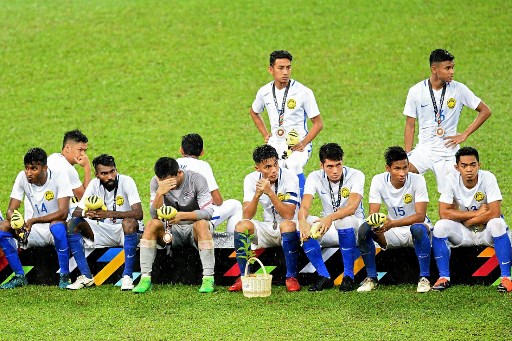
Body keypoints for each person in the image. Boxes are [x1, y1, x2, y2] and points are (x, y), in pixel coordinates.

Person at [403, 49, 491, 192]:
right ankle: (415, 214)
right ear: (434, 69)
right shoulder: (416, 91)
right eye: (447, 68)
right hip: (424, 150)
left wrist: (465, 134)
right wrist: (407, 154)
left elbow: (485, 111)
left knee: (451, 196)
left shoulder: (459, 89)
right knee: (401, 175)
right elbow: (410, 125)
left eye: (452, 67)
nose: (452, 72)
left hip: (448, 153)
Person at [431, 147, 512, 292]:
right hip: (465, 233)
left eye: (473, 165)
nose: (469, 169)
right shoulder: (450, 180)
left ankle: (506, 279)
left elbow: (494, 212)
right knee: (440, 226)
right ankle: (444, 278)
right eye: (464, 165)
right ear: (457, 167)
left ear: (479, 165)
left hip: (486, 232)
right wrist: (475, 215)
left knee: (498, 223)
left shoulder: (488, 178)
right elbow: (443, 213)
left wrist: (470, 221)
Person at [132, 157, 216, 293]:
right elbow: (155, 215)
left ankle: (208, 279)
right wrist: (160, 193)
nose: (168, 185)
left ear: (179, 173)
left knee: (202, 224)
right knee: (151, 224)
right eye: (162, 181)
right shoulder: (155, 182)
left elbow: (208, 212)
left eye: (170, 181)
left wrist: (181, 216)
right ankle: (145, 279)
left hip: (194, 229)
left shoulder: (197, 179)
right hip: (170, 231)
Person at [357, 146, 432, 293]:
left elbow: (420, 216)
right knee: (364, 229)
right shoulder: (378, 180)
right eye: (397, 169)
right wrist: (377, 225)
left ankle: (424, 278)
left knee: (418, 227)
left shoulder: (418, 180)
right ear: (388, 168)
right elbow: (373, 214)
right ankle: (371, 278)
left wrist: (392, 223)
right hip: (392, 232)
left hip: (415, 229)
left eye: (405, 167)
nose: (403, 173)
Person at [250, 50, 323, 196]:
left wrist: (303, 143)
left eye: (288, 67)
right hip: (276, 142)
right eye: (281, 68)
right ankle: (278, 209)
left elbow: (318, 123)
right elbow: (254, 112)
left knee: (293, 165)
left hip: (298, 143)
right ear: (271, 70)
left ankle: (301, 208)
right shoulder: (264, 92)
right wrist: (266, 134)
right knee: (272, 171)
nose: (285, 72)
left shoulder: (303, 92)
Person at [228, 145, 301, 292]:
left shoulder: (289, 177)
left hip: (289, 226)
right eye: (267, 167)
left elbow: (289, 214)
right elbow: (247, 215)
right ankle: (244, 276)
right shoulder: (250, 179)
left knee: (287, 225)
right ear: (258, 169)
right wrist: (257, 195)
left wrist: (270, 193)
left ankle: (291, 277)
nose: (273, 170)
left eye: (275, 164)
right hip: (268, 226)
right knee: (241, 226)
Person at [66, 154, 143, 290]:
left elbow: (139, 213)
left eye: (112, 171)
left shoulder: (127, 181)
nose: (109, 177)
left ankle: (127, 277)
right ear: (97, 174)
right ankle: (86, 276)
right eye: (104, 173)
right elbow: (75, 212)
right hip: (102, 230)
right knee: (72, 223)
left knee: (129, 223)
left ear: (116, 170)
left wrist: (109, 213)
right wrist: (86, 213)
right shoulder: (94, 184)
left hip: (124, 231)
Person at [0, 148, 72, 289]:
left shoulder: (59, 176)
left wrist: (34, 220)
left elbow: (63, 212)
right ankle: (20, 276)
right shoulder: (22, 177)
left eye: (34, 168)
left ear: (44, 168)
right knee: (2, 226)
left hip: (56, 229)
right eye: (27, 168)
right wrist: (16, 222)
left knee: (57, 226)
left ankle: (65, 275)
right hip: (33, 230)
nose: (29, 173)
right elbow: (10, 209)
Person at [298, 143, 365, 292]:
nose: (335, 171)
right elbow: (305, 206)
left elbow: (352, 208)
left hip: (354, 228)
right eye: (330, 166)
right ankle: (324, 276)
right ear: (322, 165)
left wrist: (329, 218)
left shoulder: (356, 175)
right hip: (330, 228)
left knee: (344, 219)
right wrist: (302, 222)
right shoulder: (314, 177)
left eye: (338, 165)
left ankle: (348, 276)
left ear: (342, 162)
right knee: (303, 223)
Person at [177, 133, 242, 233]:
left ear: (181, 150)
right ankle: (231, 244)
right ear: (202, 152)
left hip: (174, 219)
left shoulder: (174, 164)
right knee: (236, 205)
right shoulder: (203, 166)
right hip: (197, 220)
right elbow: (218, 200)